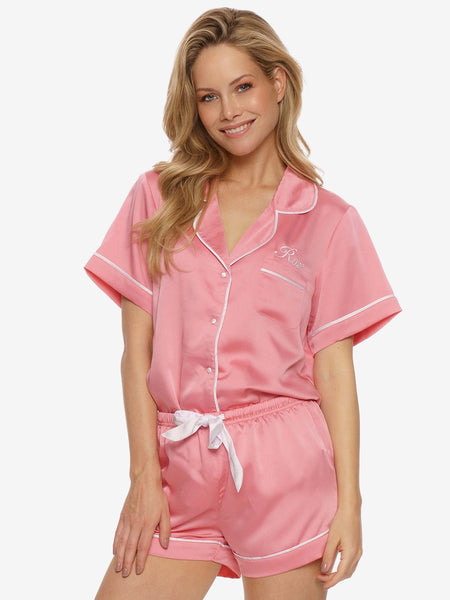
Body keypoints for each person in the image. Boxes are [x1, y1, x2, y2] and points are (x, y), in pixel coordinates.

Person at [85, 7, 401, 599]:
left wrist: (350, 505)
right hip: (178, 470)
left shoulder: (329, 221)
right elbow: (135, 353)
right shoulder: (157, 197)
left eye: (243, 86)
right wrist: (143, 475)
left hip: (286, 473)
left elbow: (335, 372)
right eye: (209, 96)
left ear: (278, 83)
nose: (228, 111)